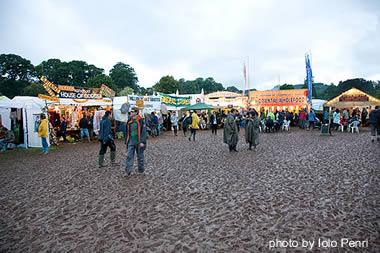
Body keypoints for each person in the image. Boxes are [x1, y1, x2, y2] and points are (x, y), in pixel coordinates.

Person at [125, 107, 147, 176]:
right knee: (129, 156)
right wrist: (126, 140)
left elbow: (143, 131)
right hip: (131, 140)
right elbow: (127, 131)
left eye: (132, 111)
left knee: (140, 156)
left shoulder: (141, 120)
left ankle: (141, 171)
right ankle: (128, 171)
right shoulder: (129, 120)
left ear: (136, 113)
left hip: (139, 141)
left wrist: (142, 142)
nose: (130, 113)